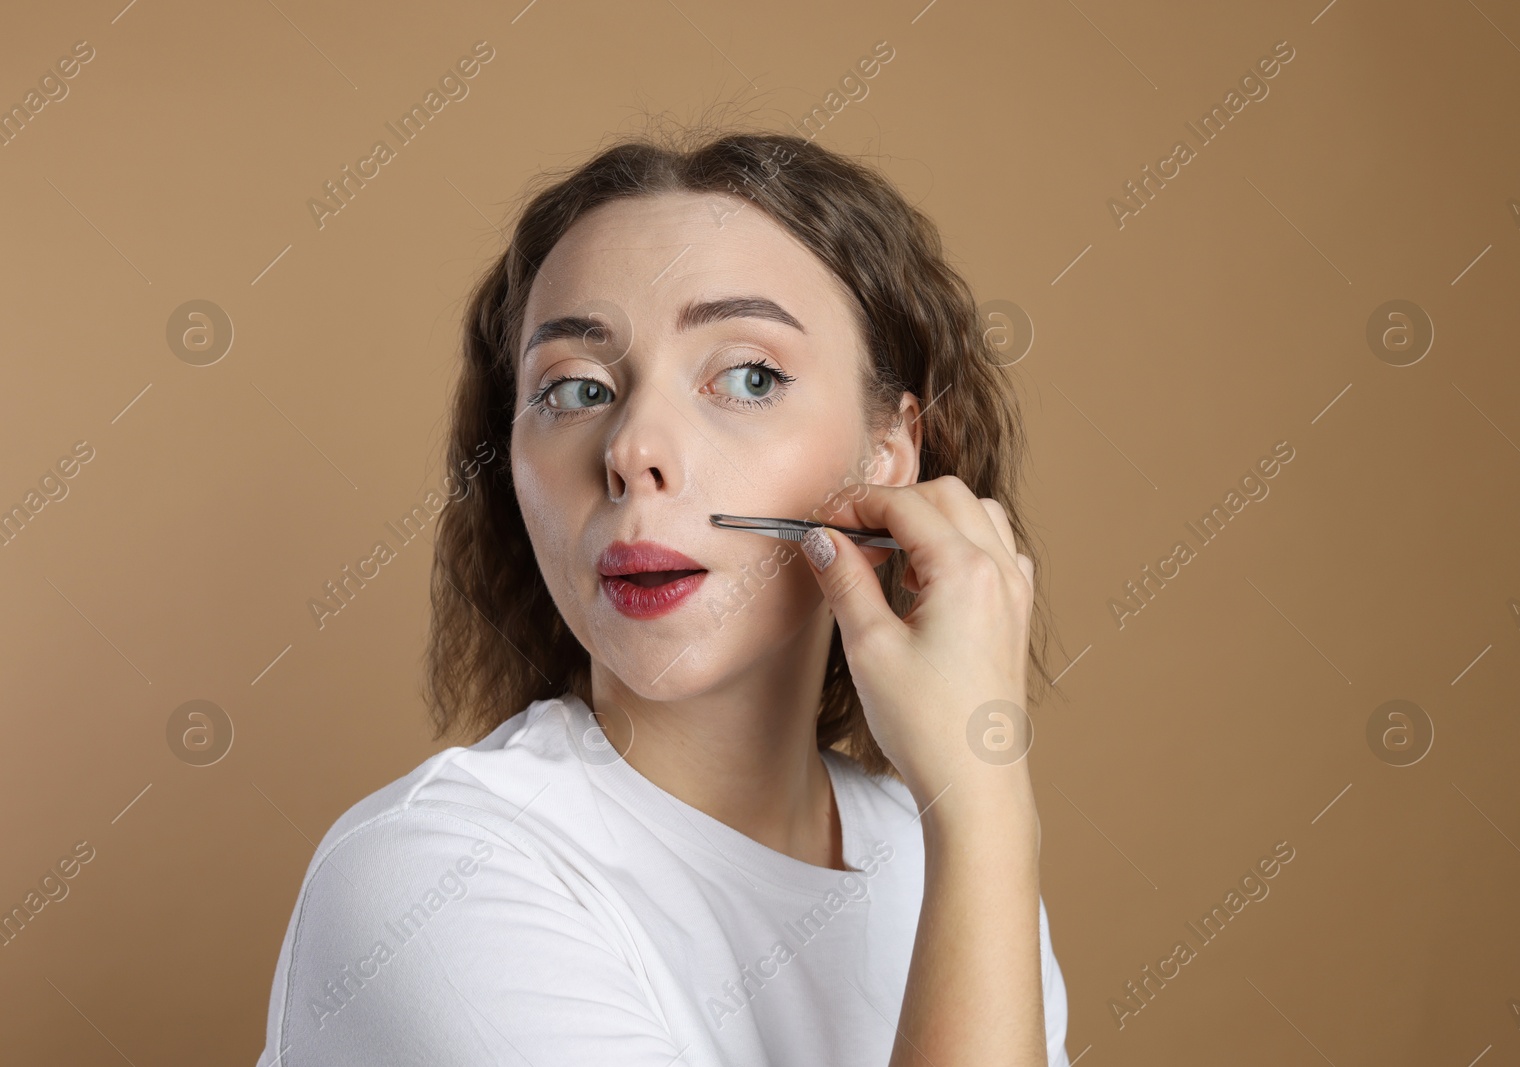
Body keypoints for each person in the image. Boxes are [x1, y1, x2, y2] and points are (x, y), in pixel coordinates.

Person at [255, 126, 1067, 1066]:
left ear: (889, 453)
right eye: (573, 389)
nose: (631, 448)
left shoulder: (949, 856)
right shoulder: (432, 879)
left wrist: (978, 811)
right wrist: (989, 803)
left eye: (749, 376)